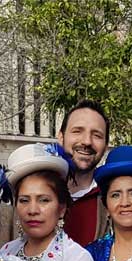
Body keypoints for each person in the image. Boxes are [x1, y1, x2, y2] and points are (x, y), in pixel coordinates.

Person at [57, 100, 110, 246]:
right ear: (61, 137)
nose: (87, 141)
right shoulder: (28, 198)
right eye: (77, 131)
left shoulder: (111, 204)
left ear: (105, 146)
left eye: (97, 135)